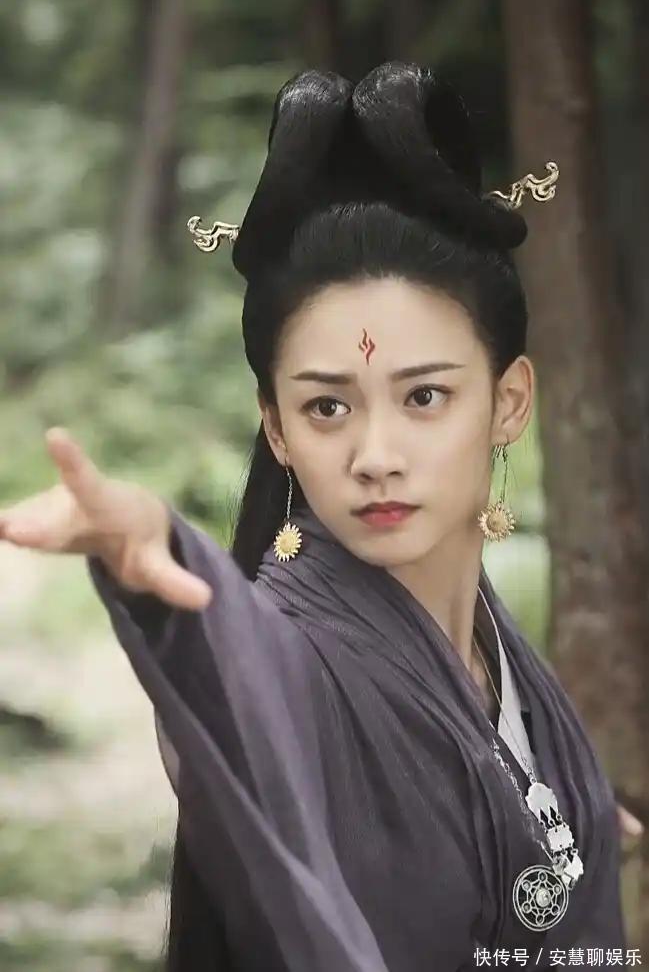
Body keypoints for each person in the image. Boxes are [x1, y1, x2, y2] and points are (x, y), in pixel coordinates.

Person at [0, 62, 638, 971]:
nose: (375, 453)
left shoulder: (494, 650)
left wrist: (559, 811)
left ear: (508, 402)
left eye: (423, 396)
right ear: (278, 429)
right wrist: (160, 552)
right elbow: (244, 685)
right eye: (327, 406)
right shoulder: (291, 656)